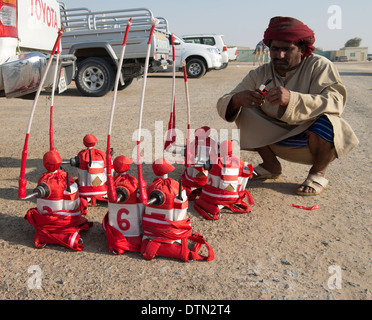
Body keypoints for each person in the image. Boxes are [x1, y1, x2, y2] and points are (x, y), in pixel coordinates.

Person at [217, 16, 359, 196]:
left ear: (302, 49)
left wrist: (293, 99)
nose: (279, 55)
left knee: (331, 124)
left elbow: (335, 100)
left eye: (287, 49)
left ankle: (317, 173)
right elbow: (225, 100)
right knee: (243, 108)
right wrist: (238, 99)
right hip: (272, 133)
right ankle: (270, 165)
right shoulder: (261, 73)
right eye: (275, 49)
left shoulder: (319, 66)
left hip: (307, 132)